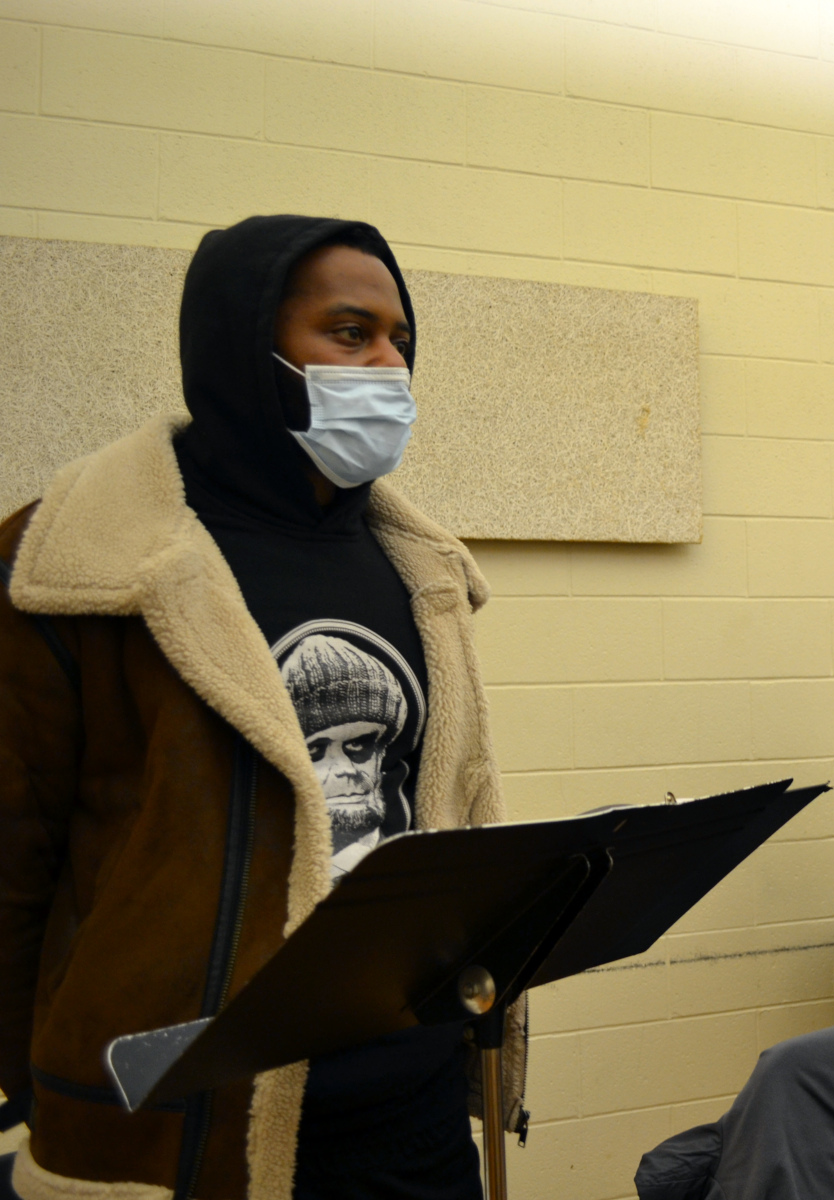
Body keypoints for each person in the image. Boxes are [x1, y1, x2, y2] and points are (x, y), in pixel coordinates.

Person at [0, 216, 520, 1200]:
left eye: (401, 340)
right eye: (350, 332)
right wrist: (38, 1093)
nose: (389, 366)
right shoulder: (73, 566)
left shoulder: (416, 568)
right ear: (250, 347)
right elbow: (12, 868)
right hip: (187, 1129)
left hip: (409, 1112)